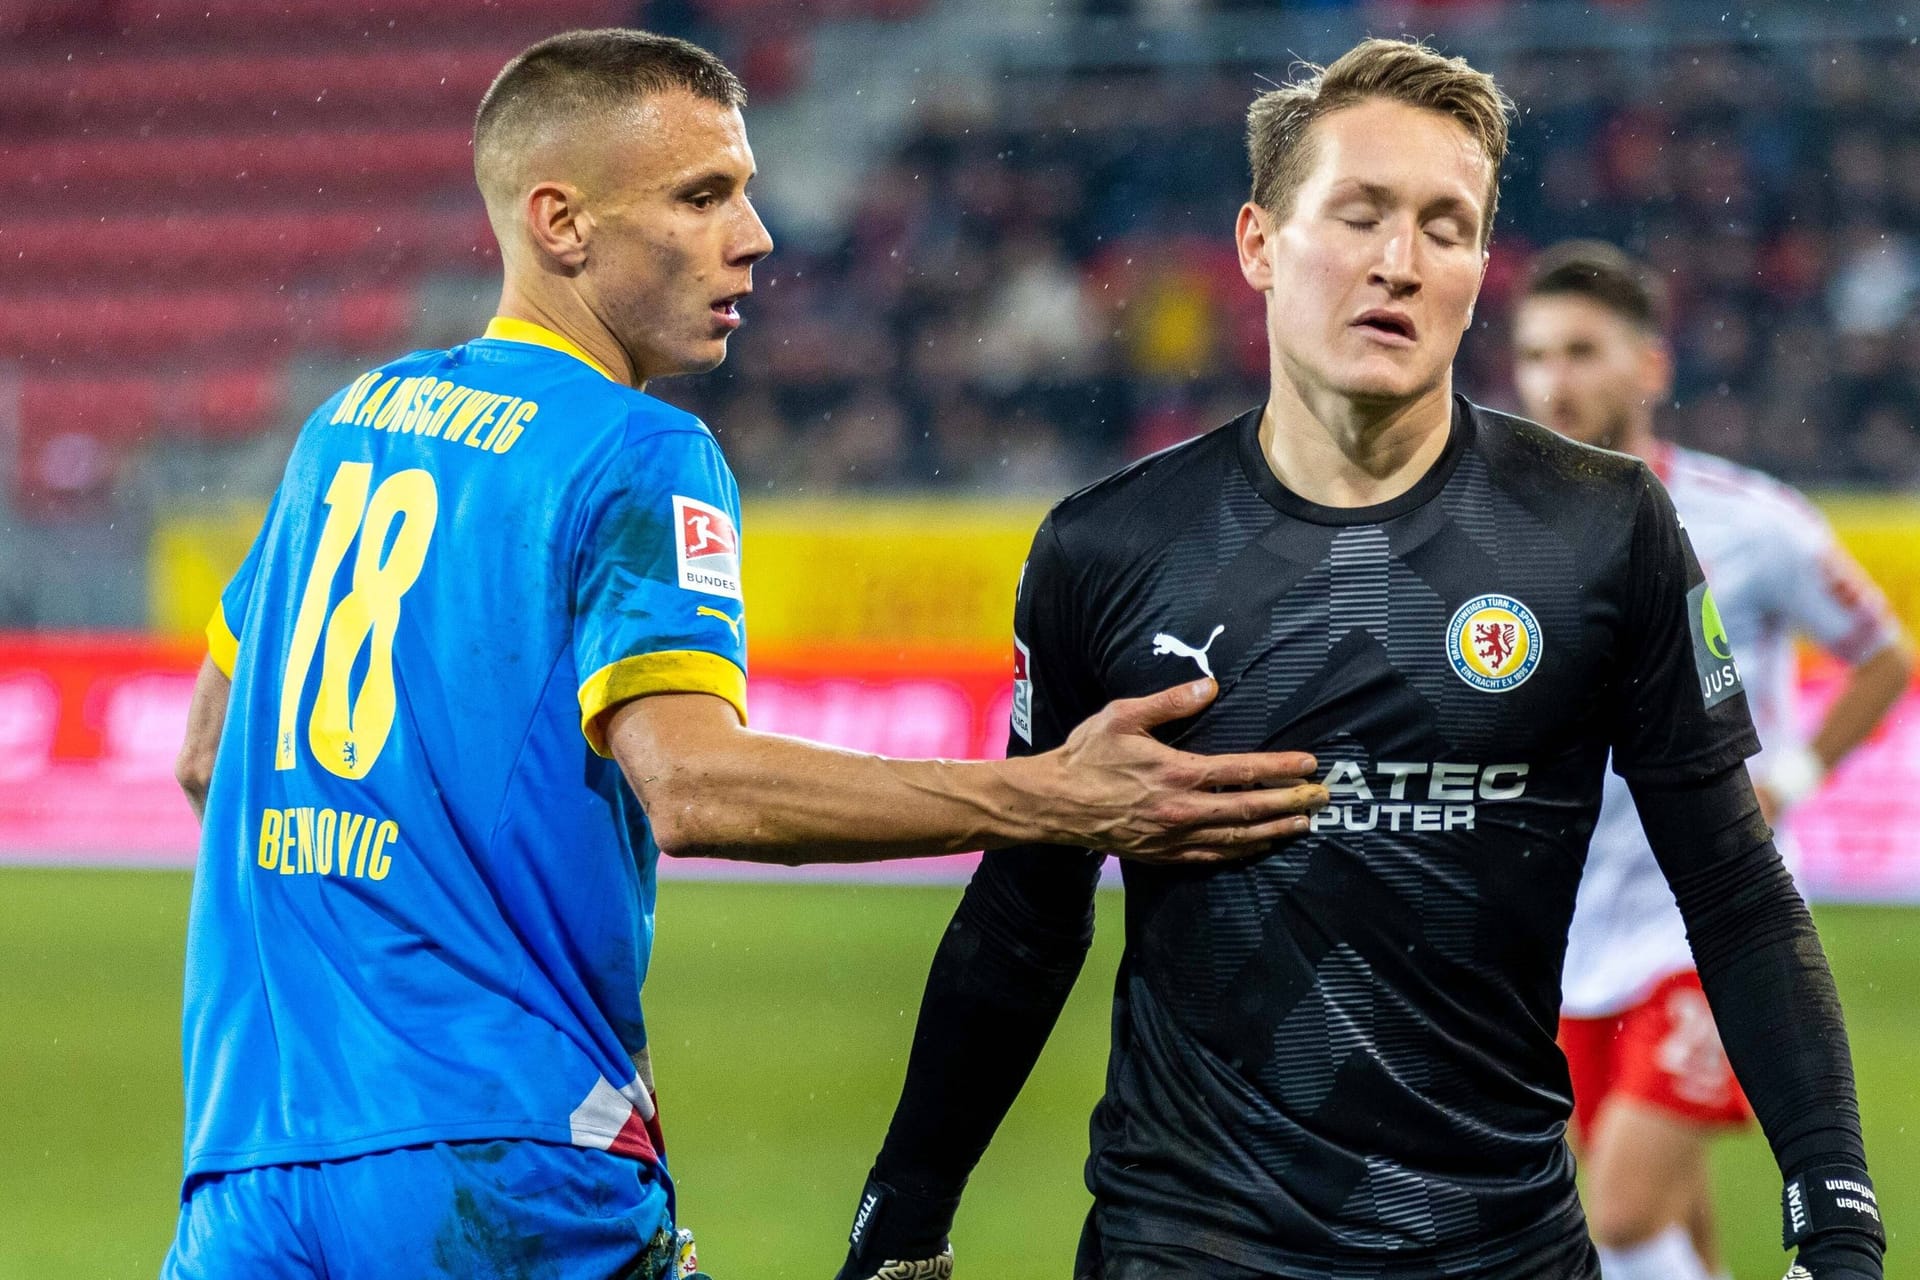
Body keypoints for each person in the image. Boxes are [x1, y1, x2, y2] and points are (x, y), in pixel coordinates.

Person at [159, 29, 1327, 1280]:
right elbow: (699, 786)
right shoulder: (633, 451)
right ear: (561, 223)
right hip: (501, 1161)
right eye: (703, 194)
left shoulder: (343, 427)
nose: (757, 233)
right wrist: (1053, 797)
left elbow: (207, 753)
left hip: (251, 1164)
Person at [833, 37, 1888, 1280]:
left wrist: (1839, 1218)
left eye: (1448, 227)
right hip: (1183, 1247)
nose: (1401, 261)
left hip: (1500, 1252)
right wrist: (903, 1217)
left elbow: (1735, 890)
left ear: (1479, 270)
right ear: (1257, 245)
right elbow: (1025, 913)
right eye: (1361, 213)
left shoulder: (1604, 530)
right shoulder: (1106, 548)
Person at [1512, 240, 1913, 1280]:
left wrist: (1789, 779)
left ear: (1650, 366)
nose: (1556, 380)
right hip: (1564, 928)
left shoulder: (1752, 522)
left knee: (1620, 1210)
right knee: (1673, 1228)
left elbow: (1884, 654)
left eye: (1584, 350)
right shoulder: (1497, 538)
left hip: (1702, 919)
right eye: (1537, 354)